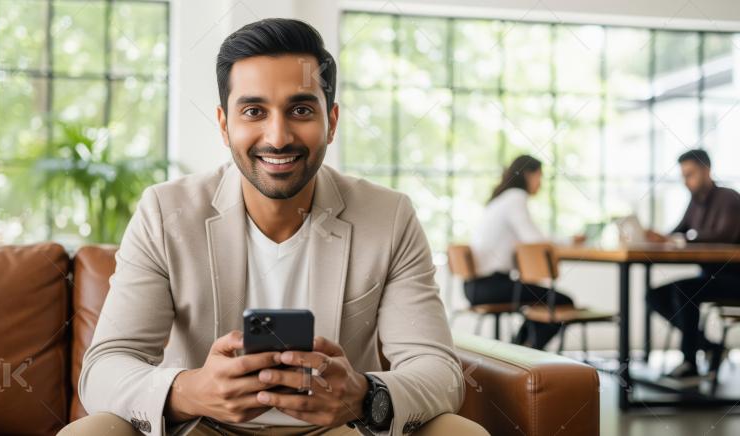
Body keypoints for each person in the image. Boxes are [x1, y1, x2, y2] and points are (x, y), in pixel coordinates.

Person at [57, 19, 487, 436]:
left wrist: (362, 395)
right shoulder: (164, 212)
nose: (278, 137)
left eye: (300, 109)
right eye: (254, 111)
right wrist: (190, 391)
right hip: (204, 426)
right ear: (225, 125)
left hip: (335, 428)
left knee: (458, 431)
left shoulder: (389, 216)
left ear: (331, 121)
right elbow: (105, 367)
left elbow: (439, 370)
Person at [645, 149, 740, 381]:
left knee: (684, 290)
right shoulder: (695, 202)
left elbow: (724, 236)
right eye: (684, 176)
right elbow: (678, 232)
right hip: (708, 277)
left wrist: (681, 239)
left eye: (691, 174)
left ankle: (689, 362)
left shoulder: (729, 198)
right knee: (654, 295)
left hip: (734, 280)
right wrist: (658, 238)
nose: (687, 181)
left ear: (706, 170)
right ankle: (708, 345)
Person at [466, 155, 578, 350]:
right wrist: (569, 242)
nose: (540, 184)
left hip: (475, 286)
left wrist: (566, 240)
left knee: (542, 301)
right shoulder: (515, 197)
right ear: (528, 174)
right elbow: (535, 242)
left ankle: (518, 351)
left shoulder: (500, 200)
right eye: (539, 177)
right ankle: (523, 353)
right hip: (491, 286)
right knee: (561, 301)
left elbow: (531, 238)